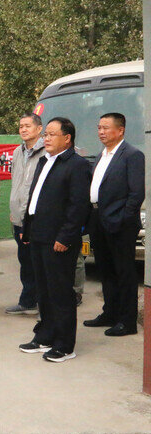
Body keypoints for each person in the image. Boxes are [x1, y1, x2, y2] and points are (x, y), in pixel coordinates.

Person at [19, 117, 91, 363]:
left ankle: (64, 344)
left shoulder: (76, 165)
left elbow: (78, 206)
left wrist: (66, 236)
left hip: (59, 239)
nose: (45, 139)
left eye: (51, 134)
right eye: (45, 135)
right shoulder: (44, 161)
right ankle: (46, 335)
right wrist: (27, 230)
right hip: (38, 234)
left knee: (60, 292)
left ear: (67, 138)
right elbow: (34, 198)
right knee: (44, 290)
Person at [83, 113, 145, 337]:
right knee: (105, 270)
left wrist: (122, 220)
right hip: (98, 219)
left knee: (124, 272)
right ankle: (110, 313)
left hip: (120, 223)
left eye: (106, 128)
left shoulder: (132, 155)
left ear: (120, 130)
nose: (101, 131)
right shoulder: (102, 155)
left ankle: (127, 321)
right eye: (99, 127)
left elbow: (136, 194)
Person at [5, 113, 44, 315]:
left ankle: (44, 303)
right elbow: (17, 184)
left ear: (39, 129)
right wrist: (14, 212)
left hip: (37, 218)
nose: (23, 129)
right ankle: (28, 300)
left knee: (40, 263)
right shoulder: (18, 152)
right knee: (25, 262)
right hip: (18, 218)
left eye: (28, 126)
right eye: (21, 126)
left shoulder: (47, 152)